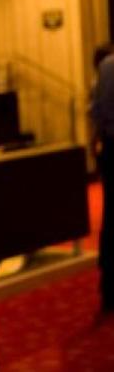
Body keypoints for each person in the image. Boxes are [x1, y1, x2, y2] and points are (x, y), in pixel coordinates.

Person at [91, 44, 114, 314]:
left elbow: (95, 111)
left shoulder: (105, 67)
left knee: (110, 216)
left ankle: (108, 287)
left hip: (110, 148)